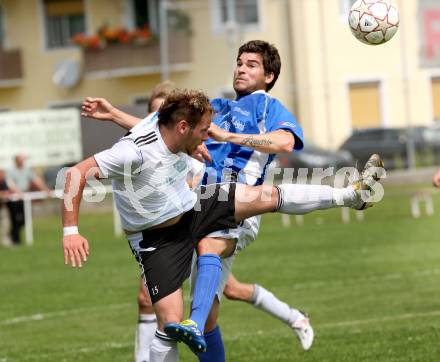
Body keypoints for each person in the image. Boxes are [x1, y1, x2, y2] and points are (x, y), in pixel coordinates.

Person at [80, 40, 384, 360]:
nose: (241, 68)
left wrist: (231, 137)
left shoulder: (267, 107)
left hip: (240, 207)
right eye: (239, 62)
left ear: (269, 76)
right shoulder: (219, 107)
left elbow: (285, 142)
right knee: (210, 315)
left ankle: (352, 194)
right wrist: (114, 114)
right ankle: (199, 324)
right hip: (200, 205)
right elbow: (165, 131)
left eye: (251, 64)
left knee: (214, 243)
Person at [5, 155, 50, 244]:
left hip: (24, 197)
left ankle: (13, 236)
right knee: (15, 219)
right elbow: (10, 183)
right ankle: (15, 240)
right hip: (14, 199)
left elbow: (36, 180)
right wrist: (17, 192)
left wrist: (45, 188)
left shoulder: (27, 170)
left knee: (25, 219)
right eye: (20, 160)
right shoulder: (10, 171)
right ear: (16, 161)